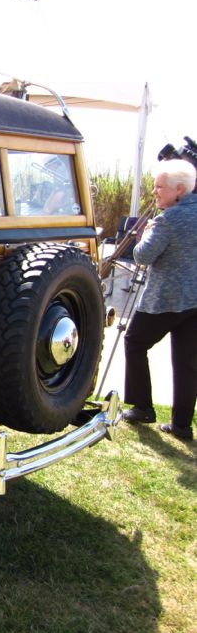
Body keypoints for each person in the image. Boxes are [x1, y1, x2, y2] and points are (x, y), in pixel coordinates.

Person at [121, 159, 197, 441]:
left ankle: (142, 407)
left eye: (159, 187)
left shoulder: (168, 220)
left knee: (134, 342)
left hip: (166, 298)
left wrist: (144, 233)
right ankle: (181, 425)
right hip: (194, 300)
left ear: (179, 190)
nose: (155, 192)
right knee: (187, 361)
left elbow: (142, 256)